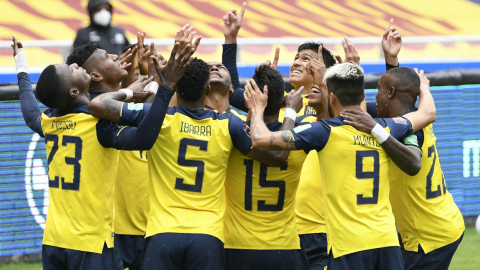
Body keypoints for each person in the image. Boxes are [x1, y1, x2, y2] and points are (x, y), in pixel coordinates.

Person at [244, 61, 436, 270]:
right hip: (386, 242)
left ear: (331, 96)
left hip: (349, 246)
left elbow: (261, 139)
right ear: (363, 97)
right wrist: (423, 87)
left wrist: (258, 107)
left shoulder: (322, 131)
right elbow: (427, 114)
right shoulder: (387, 126)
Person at [11, 35, 157, 270]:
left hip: (54, 241)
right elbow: (142, 126)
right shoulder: (97, 123)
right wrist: (141, 88)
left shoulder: (49, 122)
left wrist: (21, 66)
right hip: (91, 243)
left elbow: (29, 111)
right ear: (73, 90)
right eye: (72, 69)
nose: (76, 65)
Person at [360, 20, 464, 270]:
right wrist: (390, 58)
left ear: (391, 93)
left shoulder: (409, 130)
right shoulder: (413, 115)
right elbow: (396, 92)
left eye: (379, 89)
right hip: (442, 222)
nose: (375, 94)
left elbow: (413, 161)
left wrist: (376, 131)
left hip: (429, 238)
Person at [223, 65, 309, 270]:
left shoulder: (229, 131)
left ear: (248, 99)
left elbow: (251, 132)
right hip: (284, 247)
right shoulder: (304, 135)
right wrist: (290, 112)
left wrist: (253, 110)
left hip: (236, 246)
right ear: (282, 104)